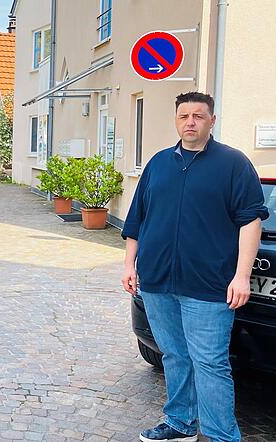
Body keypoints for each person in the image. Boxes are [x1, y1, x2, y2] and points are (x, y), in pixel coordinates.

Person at [121, 92, 268, 442]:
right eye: (184, 115)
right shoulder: (157, 163)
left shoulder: (234, 164)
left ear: (212, 121)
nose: (190, 122)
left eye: (198, 116)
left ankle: (221, 436)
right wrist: (130, 263)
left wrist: (242, 276)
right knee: (174, 355)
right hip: (157, 282)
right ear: (176, 120)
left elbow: (251, 222)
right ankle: (180, 424)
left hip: (209, 286)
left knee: (210, 364)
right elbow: (137, 218)